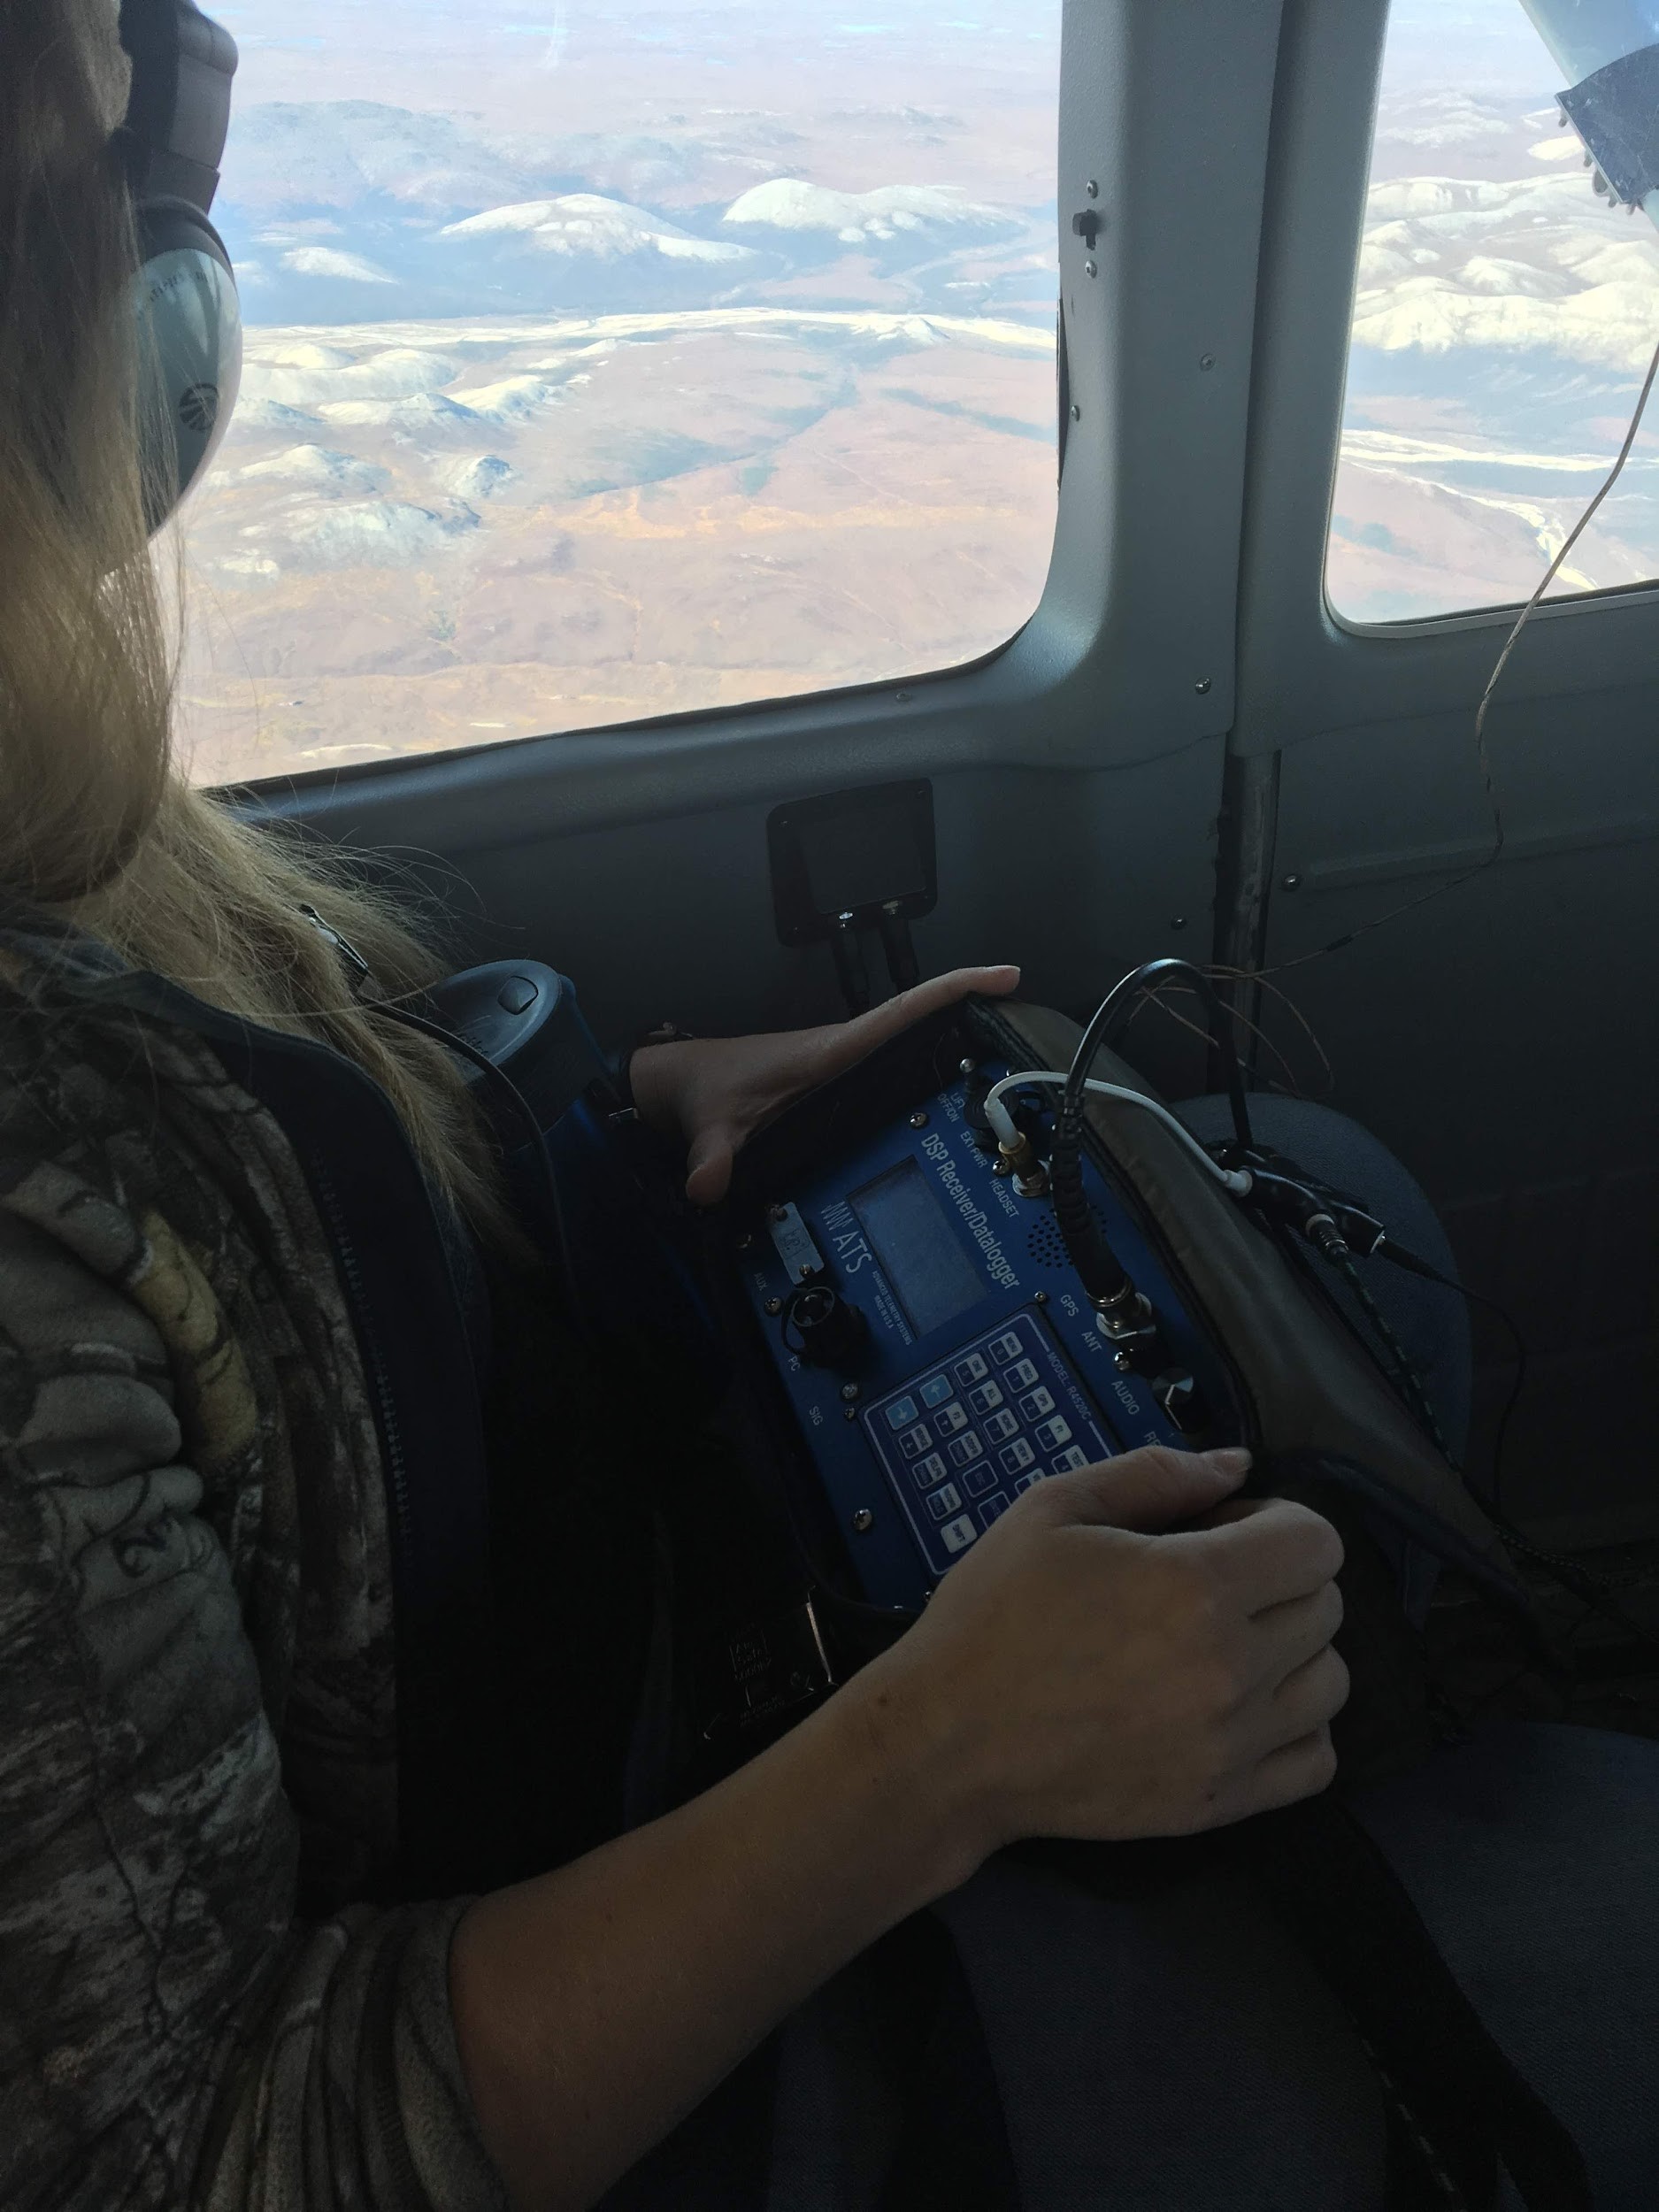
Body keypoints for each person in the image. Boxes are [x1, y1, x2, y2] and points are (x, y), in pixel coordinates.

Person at [0, 7, 1654, 2211]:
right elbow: (216, 2152)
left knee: (1337, 1236)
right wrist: (932, 1757)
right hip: (581, 1916)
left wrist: (598, 1121)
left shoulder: (60, 840)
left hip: (587, 1581)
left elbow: (278, 1225)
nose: (164, 278)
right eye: (101, 166)